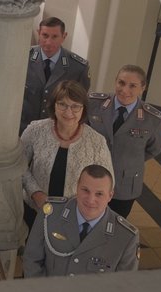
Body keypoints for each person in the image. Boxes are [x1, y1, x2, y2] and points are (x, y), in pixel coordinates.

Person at [21, 80, 113, 230]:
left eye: (75, 106)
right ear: (54, 105)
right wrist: (35, 193)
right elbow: (19, 166)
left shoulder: (97, 142)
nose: (68, 112)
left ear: (83, 109)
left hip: (75, 216)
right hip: (34, 210)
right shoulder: (35, 130)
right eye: (62, 104)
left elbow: (108, 182)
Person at [23, 165, 139, 277]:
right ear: (77, 187)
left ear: (110, 195)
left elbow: (124, 284)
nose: (91, 200)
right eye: (85, 190)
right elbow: (32, 260)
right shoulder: (50, 214)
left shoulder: (126, 237)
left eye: (99, 194)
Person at [86, 65, 161, 218]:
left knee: (115, 226)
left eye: (133, 86)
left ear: (143, 88)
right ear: (115, 82)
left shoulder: (153, 118)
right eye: (121, 83)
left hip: (125, 183)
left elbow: (154, 149)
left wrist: (129, 160)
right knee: (86, 219)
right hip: (91, 177)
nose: (125, 90)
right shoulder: (94, 103)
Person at [21, 17, 91, 134]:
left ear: (64, 36)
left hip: (56, 132)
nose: (48, 42)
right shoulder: (23, 57)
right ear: (39, 33)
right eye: (45, 35)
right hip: (22, 130)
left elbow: (80, 106)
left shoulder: (78, 68)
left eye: (54, 37)